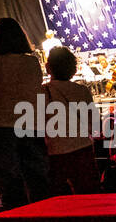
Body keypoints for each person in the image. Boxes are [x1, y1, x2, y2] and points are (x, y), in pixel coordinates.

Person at [0, 18, 49, 209]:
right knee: (36, 176)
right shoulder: (32, 61)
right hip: (30, 122)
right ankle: (41, 213)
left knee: (8, 180)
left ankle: (15, 215)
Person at [42, 46, 100, 195]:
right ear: (73, 69)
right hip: (84, 147)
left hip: (56, 152)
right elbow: (94, 122)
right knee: (90, 193)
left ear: (48, 68)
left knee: (61, 197)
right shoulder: (82, 91)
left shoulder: (43, 92)